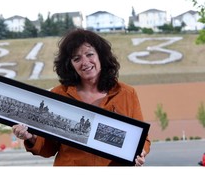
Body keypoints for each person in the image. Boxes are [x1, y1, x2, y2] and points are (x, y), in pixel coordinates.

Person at [12, 28, 150, 166]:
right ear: (70, 64)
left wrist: (140, 152)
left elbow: (142, 140)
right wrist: (30, 137)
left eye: (89, 54)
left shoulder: (126, 93)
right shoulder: (58, 95)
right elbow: (48, 147)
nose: (85, 62)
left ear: (101, 56)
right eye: (76, 58)